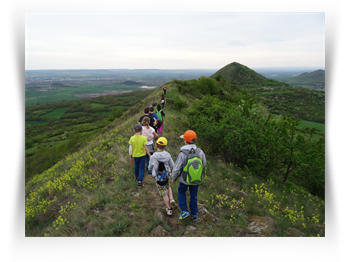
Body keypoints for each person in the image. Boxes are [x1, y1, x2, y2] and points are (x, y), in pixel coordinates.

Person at [172, 130, 206, 221]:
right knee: (194, 195)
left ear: (185, 141)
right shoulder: (200, 151)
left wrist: (173, 178)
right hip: (196, 179)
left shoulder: (183, 153)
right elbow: (204, 163)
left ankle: (184, 210)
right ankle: (194, 214)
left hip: (184, 179)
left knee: (181, 191)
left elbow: (177, 168)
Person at [148, 137, 176, 215]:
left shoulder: (153, 156)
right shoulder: (168, 155)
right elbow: (172, 165)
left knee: (164, 193)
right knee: (168, 186)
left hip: (159, 177)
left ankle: (169, 209)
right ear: (165, 146)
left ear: (156, 144)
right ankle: (171, 199)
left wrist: (150, 169)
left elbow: (150, 166)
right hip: (167, 175)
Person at [129, 124, 151, 188]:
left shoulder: (132, 138)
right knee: (141, 168)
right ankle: (140, 181)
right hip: (142, 155)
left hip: (135, 155)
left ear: (134, 130)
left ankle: (136, 176)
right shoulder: (144, 138)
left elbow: (130, 148)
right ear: (141, 130)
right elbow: (145, 148)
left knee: (136, 166)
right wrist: (149, 155)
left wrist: (130, 157)